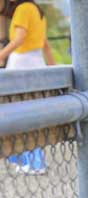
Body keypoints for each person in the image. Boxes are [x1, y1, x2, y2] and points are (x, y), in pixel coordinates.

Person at [0, 0, 54, 174]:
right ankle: (34, 161)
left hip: (21, 62)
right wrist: (53, 68)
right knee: (33, 112)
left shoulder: (23, 9)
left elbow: (20, 39)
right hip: (37, 62)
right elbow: (44, 43)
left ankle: (27, 161)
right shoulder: (37, 10)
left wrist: (1, 55)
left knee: (17, 111)